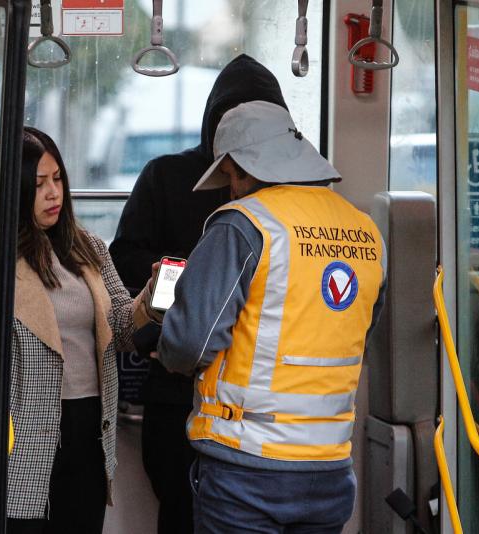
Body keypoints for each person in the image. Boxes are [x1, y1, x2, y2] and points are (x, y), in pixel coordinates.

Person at [157, 101, 388, 534]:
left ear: (242, 167)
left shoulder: (243, 225)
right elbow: (360, 333)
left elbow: (191, 344)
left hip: (245, 470)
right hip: (331, 471)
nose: (230, 189)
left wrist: (165, 332)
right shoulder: (367, 232)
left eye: (228, 177)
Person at [108, 54, 289, 534]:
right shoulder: (166, 176)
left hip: (258, 401)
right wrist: (181, 289)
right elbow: (123, 261)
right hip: (178, 391)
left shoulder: (295, 195)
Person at [6, 127, 158, 534]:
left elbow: (123, 328)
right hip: (28, 433)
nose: (53, 193)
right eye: (38, 184)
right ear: (13, 189)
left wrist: (152, 295)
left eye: (58, 179)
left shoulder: (87, 248)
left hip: (91, 426)